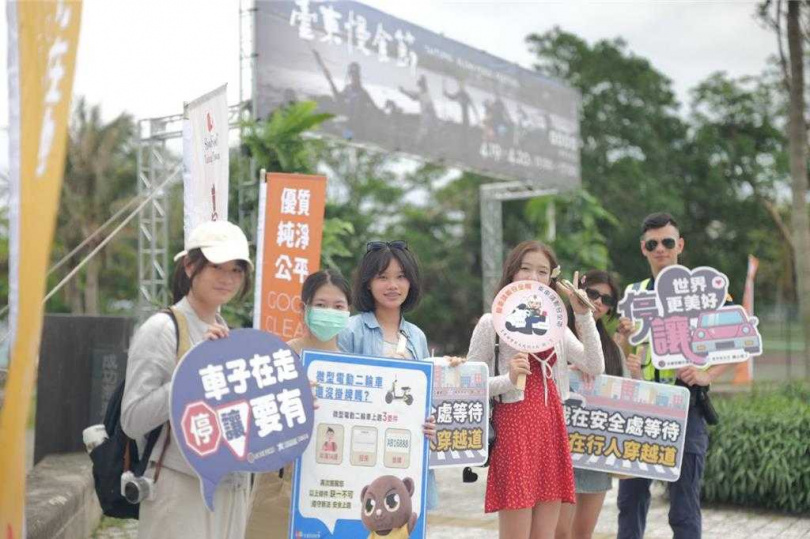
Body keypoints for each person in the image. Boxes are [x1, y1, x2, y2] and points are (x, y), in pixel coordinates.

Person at [121, 220, 253, 539]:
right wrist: (193, 371)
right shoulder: (162, 329)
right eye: (216, 266)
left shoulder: (226, 334)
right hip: (179, 488)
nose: (227, 277)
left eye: (236, 269)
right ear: (190, 266)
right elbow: (132, 420)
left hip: (230, 489)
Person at [466, 240, 605, 539]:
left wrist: (583, 315)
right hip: (513, 430)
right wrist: (508, 378)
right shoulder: (491, 322)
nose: (533, 277)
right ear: (512, 273)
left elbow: (594, 365)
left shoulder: (556, 325)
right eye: (525, 268)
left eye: (542, 272)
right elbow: (469, 384)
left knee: (545, 533)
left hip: (550, 426)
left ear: (551, 279)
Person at [615, 212, 729, 539]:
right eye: (652, 244)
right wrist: (625, 344)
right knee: (630, 501)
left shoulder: (704, 292)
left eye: (667, 242)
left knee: (684, 507)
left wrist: (707, 375)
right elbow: (625, 348)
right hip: (640, 407)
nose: (660, 249)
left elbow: (739, 343)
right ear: (643, 249)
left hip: (686, 406)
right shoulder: (634, 293)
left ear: (680, 245)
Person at [338, 240, 445, 510]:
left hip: (408, 453)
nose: (393, 285)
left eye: (401, 277)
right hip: (363, 450)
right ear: (368, 283)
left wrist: (431, 420)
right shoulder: (350, 331)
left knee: (405, 519)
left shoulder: (416, 336)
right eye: (383, 277)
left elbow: (427, 397)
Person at [245, 269, 351, 539]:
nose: (330, 312)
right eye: (321, 305)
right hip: (281, 489)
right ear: (303, 309)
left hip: (331, 490)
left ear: (349, 312)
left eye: (338, 306)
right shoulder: (280, 358)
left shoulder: (353, 368)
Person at [555, 270, 627, 539]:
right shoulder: (553, 333)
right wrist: (567, 371)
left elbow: (626, 398)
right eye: (593, 293)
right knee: (559, 533)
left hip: (595, 450)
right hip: (558, 450)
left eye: (606, 299)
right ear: (578, 292)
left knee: (583, 533)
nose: (597, 302)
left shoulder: (612, 350)